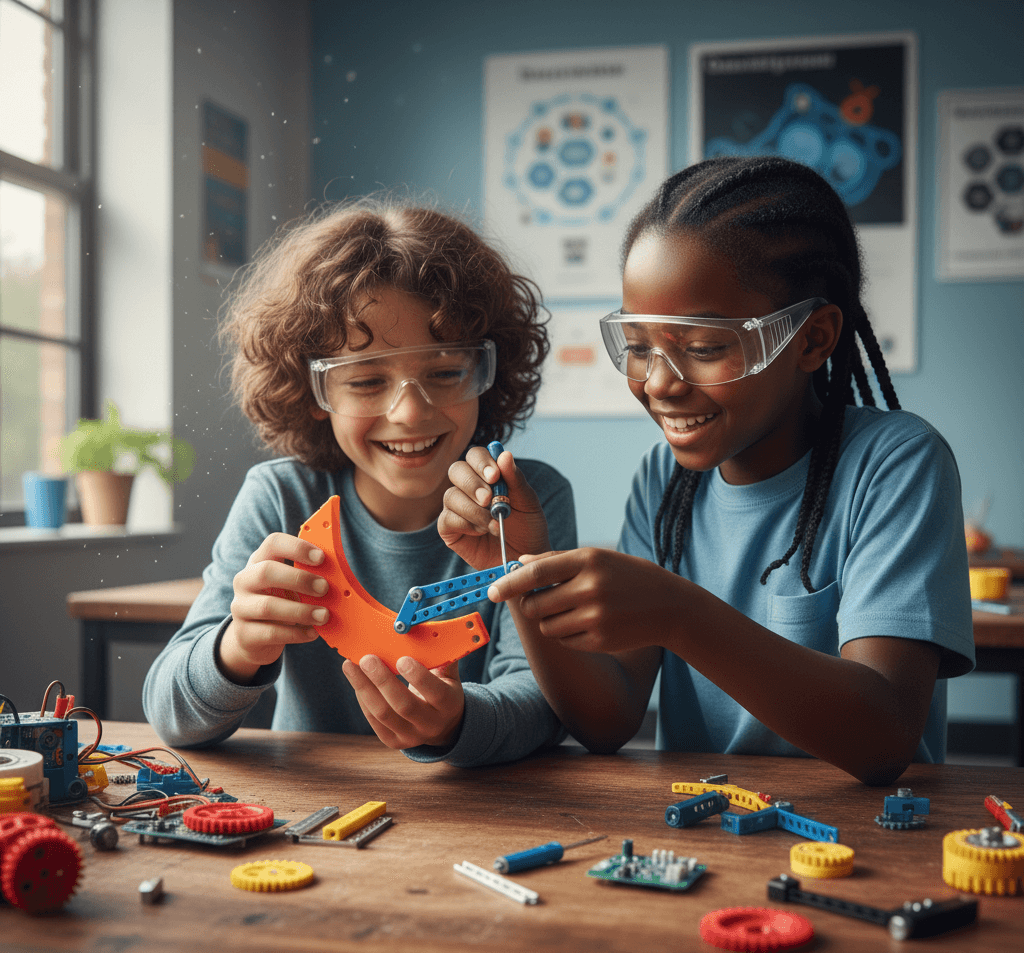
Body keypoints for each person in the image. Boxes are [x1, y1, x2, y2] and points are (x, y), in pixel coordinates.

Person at [441, 157, 974, 785]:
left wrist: (679, 615)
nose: (660, 383)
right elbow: (608, 719)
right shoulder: (662, 484)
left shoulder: (895, 465)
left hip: (871, 840)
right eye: (638, 346)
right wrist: (524, 572)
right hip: (706, 836)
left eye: (703, 348)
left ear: (811, 340)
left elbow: (883, 737)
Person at [143, 200, 575, 766]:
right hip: (310, 821)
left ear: (486, 376)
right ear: (314, 392)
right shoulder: (281, 498)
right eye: (368, 381)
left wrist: (457, 724)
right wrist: (237, 646)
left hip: (479, 816)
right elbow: (171, 713)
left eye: (444, 373)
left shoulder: (522, 500)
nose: (409, 415)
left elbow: (549, 702)